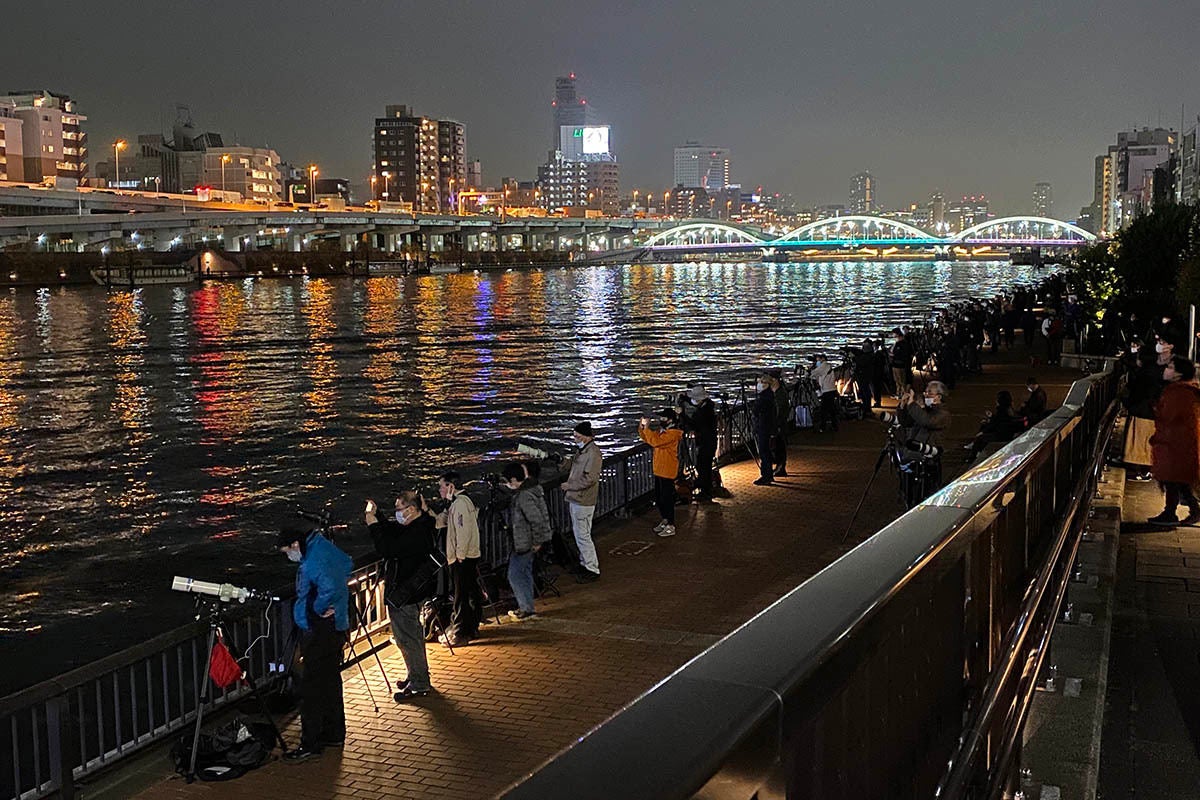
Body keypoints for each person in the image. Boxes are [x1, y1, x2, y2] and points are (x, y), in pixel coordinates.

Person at [277, 522, 352, 763]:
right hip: (337, 626)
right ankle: (334, 732)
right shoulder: (323, 546)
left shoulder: (312, 561)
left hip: (319, 630)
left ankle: (311, 742)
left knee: (311, 687)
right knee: (330, 682)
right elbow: (348, 563)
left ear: (295, 544)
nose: (288, 556)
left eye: (287, 551)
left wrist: (318, 609)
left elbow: (327, 588)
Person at [366, 492, 436, 701]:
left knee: (408, 639)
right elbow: (395, 530)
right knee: (411, 637)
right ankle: (415, 675)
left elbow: (388, 549)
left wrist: (372, 525)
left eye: (398, 509)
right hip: (415, 591)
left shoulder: (417, 533)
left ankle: (419, 684)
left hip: (406, 594)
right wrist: (377, 516)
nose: (396, 513)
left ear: (411, 510)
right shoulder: (422, 524)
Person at [1148, 356, 1200, 526]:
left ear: (1178, 373)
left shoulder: (1179, 393)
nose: (1166, 370)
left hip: (1175, 443)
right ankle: (1174, 511)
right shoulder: (1182, 391)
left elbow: (1169, 417)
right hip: (1177, 442)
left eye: (1170, 367)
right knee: (1176, 480)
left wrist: (1156, 410)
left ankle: (1177, 512)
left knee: (1174, 479)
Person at [435, 471, 483, 645]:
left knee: (460, 594)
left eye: (442, 486)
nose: (440, 489)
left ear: (451, 486)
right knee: (469, 592)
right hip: (469, 555)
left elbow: (462, 531)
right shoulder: (462, 502)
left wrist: (460, 555)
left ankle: (460, 632)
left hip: (463, 557)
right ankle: (471, 628)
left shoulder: (460, 505)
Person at [503, 461, 553, 619]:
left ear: (513, 480)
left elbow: (536, 520)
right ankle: (526, 606)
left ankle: (526, 608)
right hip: (526, 541)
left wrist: (537, 541)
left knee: (515, 574)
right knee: (524, 572)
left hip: (525, 542)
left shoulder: (524, 496)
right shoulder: (532, 490)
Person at [561, 421, 602, 582]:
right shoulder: (583, 451)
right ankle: (585, 563)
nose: (574, 439)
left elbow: (590, 479)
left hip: (583, 500)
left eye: (577, 436)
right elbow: (574, 465)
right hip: (577, 499)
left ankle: (592, 568)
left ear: (585, 437)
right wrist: (561, 462)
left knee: (583, 535)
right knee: (581, 534)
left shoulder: (593, 453)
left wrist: (570, 486)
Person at [639, 409, 685, 536]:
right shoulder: (662, 432)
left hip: (667, 470)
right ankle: (665, 519)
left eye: (664, 418)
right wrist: (642, 427)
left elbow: (655, 442)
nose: (661, 420)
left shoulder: (673, 434)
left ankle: (671, 524)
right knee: (659, 498)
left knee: (667, 498)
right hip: (659, 469)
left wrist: (647, 428)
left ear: (670, 420)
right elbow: (648, 438)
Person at [1123, 348, 1164, 481]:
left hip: (1142, 411)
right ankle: (1145, 470)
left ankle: (1141, 471)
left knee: (1139, 443)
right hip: (1151, 413)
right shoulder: (1156, 373)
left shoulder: (1145, 375)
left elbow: (1137, 392)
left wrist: (1128, 403)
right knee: (1146, 444)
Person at [681, 385, 718, 500]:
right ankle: (705, 488)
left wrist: (682, 414)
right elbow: (695, 404)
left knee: (703, 466)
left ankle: (705, 491)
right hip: (709, 442)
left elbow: (694, 424)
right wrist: (686, 399)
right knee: (704, 466)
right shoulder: (707, 406)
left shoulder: (704, 412)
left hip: (706, 443)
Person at [967, 390, 1025, 460]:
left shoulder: (1002, 410)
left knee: (981, 438)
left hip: (1001, 434)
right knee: (984, 428)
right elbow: (998, 420)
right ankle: (976, 448)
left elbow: (995, 423)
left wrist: (982, 432)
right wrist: (991, 417)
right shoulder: (1009, 409)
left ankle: (972, 456)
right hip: (1005, 432)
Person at [752, 371, 776, 485]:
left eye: (761, 382)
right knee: (765, 451)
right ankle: (768, 474)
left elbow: (756, 411)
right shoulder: (770, 395)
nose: (759, 384)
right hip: (767, 427)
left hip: (764, 427)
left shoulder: (764, 398)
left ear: (766, 384)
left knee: (763, 452)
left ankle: (766, 475)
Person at [768, 368, 791, 475]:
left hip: (779, 424)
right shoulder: (777, 392)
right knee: (778, 446)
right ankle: (780, 467)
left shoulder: (780, 394)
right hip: (779, 424)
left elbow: (780, 411)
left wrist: (776, 424)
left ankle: (781, 467)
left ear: (775, 380)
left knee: (779, 446)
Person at [810, 355, 839, 433]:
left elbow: (813, 373)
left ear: (822, 359)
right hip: (830, 390)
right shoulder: (826, 366)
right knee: (831, 409)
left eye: (818, 360)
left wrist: (809, 370)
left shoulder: (824, 366)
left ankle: (823, 427)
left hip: (827, 391)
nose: (817, 362)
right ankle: (834, 426)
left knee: (824, 410)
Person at [890, 328, 913, 396]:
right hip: (895, 364)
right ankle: (898, 393)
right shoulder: (897, 343)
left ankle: (903, 394)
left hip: (900, 365)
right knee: (897, 381)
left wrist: (894, 355)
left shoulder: (903, 343)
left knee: (901, 381)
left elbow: (904, 354)